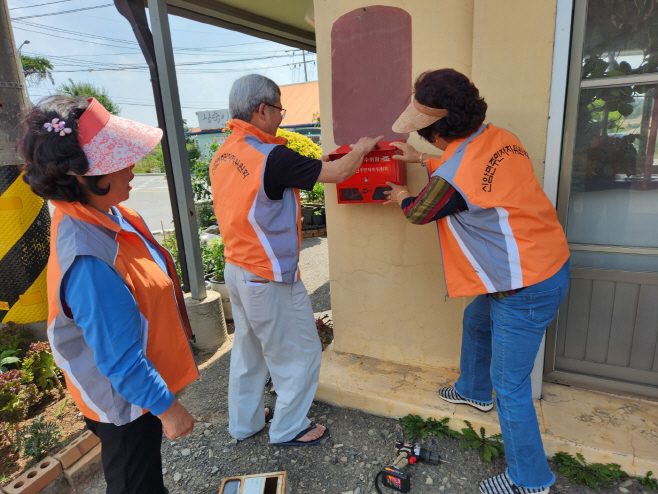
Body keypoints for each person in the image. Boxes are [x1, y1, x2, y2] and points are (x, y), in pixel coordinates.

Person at [385, 69, 570, 494]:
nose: (422, 138)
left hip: (524, 286)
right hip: (546, 264)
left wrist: (400, 196)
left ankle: (531, 481)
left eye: (423, 132)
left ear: (437, 130)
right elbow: (473, 169)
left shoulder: (454, 175)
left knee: (512, 388)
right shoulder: (499, 137)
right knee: (477, 320)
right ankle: (473, 389)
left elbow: (421, 209)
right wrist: (422, 160)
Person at [17, 95, 198, 494]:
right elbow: (121, 358)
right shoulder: (89, 258)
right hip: (126, 401)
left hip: (136, 388)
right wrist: (169, 411)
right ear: (82, 177)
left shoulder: (105, 215)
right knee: (136, 483)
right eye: (119, 160)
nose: (133, 167)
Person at [209, 74, 381, 446]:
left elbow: (278, 181)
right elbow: (338, 173)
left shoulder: (224, 153)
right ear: (262, 109)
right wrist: (364, 148)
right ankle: (289, 427)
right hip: (268, 276)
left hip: (236, 270)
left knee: (249, 351)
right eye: (280, 110)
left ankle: (246, 422)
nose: (282, 118)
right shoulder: (273, 157)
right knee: (300, 353)